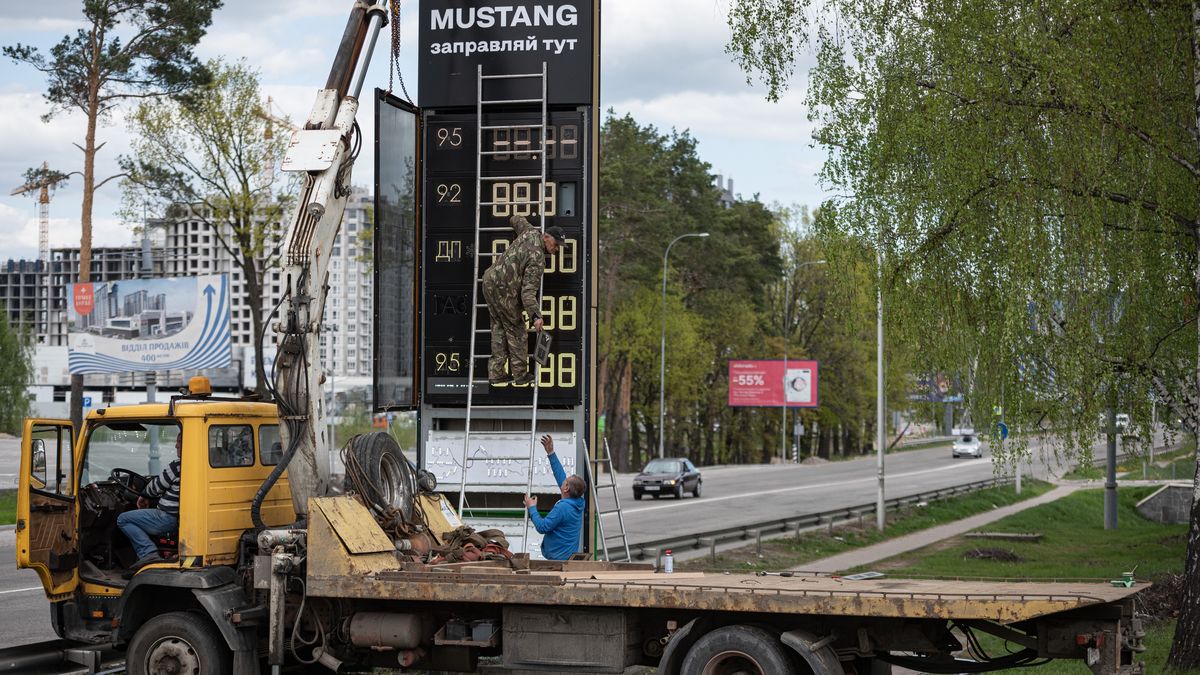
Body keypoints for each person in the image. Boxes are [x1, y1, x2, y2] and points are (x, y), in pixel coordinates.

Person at [481, 215, 566, 386]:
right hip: (505, 290)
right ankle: (520, 375)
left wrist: (514, 220)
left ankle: (496, 372)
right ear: (547, 237)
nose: (556, 249)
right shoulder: (538, 259)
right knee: (517, 330)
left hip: (489, 280)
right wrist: (536, 316)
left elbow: (515, 219)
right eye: (556, 245)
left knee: (498, 326)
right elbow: (527, 294)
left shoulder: (529, 231)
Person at [117, 433, 183, 571]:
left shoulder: (177, 466)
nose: (176, 445)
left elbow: (155, 487)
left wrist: (144, 496)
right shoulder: (198, 466)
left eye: (178, 442)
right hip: (178, 520)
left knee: (123, 519)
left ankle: (148, 553)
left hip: (166, 518)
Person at [523, 435, 585, 560]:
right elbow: (560, 475)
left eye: (566, 481)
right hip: (567, 556)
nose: (563, 480)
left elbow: (542, 527)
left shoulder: (563, 508)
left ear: (566, 488)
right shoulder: (578, 501)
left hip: (558, 560)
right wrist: (550, 452)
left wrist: (532, 508)